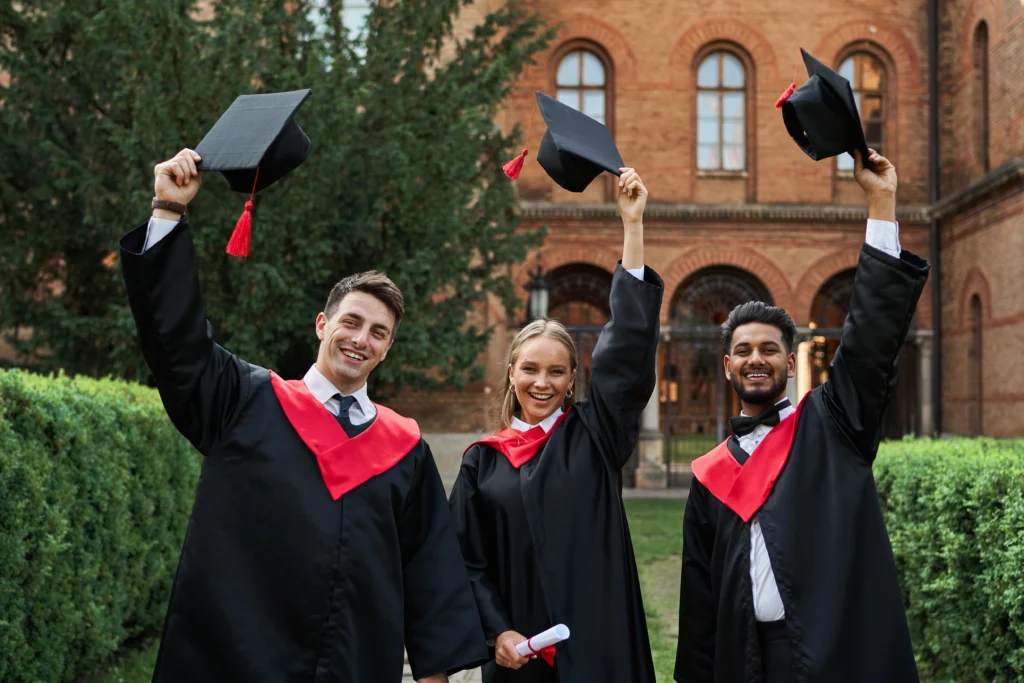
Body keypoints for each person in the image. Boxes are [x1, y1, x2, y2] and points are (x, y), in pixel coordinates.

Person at [120, 142, 488, 682]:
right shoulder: (243, 400)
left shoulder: (404, 450)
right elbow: (175, 342)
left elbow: (430, 570)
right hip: (238, 659)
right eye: (352, 322)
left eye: (378, 333)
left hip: (353, 663)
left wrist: (434, 676)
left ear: (387, 349)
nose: (360, 339)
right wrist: (168, 212)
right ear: (322, 324)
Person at [673, 148, 929, 683]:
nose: (755, 360)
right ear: (727, 367)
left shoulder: (833, 427)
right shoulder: (709, 477)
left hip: (823, 652)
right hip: (743, 657)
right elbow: (699, 600)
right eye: (743, 351)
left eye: (769, 350)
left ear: (790, 363)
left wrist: (881, 202)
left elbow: (869, 344)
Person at [447, 163, 662, 683]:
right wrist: (497, 632)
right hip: (518, 657)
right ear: (511, 373)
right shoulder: (483, 461)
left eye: (557, 372)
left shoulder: (594, 436)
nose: (542, 383)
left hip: (599, 649)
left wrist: (632, 228)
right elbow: (463, 562)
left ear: (572, 381)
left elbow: (625, 351)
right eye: (530, 369)